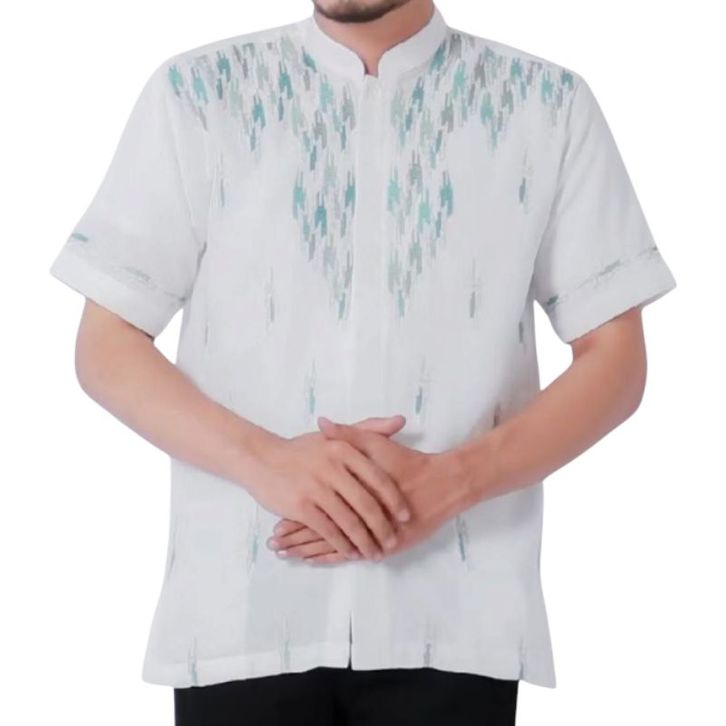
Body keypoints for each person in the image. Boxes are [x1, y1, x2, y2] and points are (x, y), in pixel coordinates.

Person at [48, 0, 677, 724]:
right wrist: (266, 463)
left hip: (456, 620)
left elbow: (615, 361)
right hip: (242, 619)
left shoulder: (547, 105)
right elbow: (107, 343)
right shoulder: (198, 94)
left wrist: (452, 482)